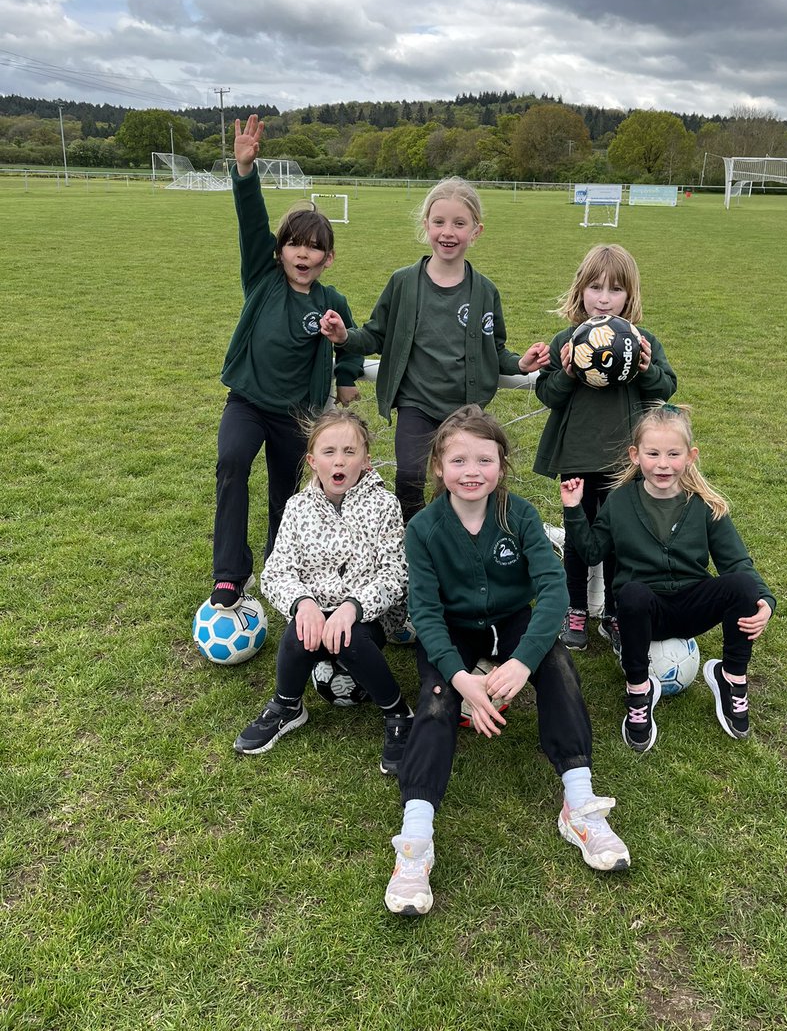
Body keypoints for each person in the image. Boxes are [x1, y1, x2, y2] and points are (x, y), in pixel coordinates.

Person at [383, 405, 629, 918]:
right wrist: (459, 681)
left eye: (485, 460)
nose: (472, 472)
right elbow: (424, 613)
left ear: (502, 464)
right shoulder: (424, 527)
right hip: (452, 631)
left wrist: (521, 662)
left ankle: (579, 804)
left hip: (514, 622)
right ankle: (415, 839)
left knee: (558, 667)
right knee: (434, 702)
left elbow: (554, 591)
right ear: (437, 467)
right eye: (459, 461)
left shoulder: (516, 515)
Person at [319, 177, 549, 524]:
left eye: (460, 223)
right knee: (409, 476)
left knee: (457, 484)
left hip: (464, 409)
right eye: (439, 221)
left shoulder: (484, 291)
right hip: (416, 405)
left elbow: (495, 349)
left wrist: (521, 363)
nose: (448, 231)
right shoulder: (404, 282)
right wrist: (343, 337)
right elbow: (374, 334)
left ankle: (451, 547)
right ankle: (410, 545)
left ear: (476, 231)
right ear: (426, 224)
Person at [209, 115, 363, 611]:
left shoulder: (331, 299)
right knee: (231, 463)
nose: (303, 253)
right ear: (280, 250)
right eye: (295, 244)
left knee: (287, 493)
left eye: (315, 248)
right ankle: (230, 573)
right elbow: (250, 221)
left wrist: (345, 379)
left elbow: (351, 343)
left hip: (297, 415)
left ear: (327, 259)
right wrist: (244, 169)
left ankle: (279, 565)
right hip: (248, 402)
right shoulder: (263, 278)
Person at [561, 402, 775, 754]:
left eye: (673, 454)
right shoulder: (619, 502)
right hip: (646, 612)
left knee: (742, 587)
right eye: (653, 453)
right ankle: (639, 691)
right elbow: (591, 552)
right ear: (635, 455)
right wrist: (573, 509)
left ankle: (732, 678)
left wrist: (765, 600)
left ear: (690, 456)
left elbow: (736, 562)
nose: (663, 464)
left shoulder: (705, 505)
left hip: (691, 605)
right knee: (629, 594)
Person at [233, 409, 414, 775]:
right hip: (315, 608)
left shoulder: (385, 506)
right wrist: (303, 604)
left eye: (350, 451)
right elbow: (278, 570)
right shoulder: (298, 508)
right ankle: (287, 706)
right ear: (313, 461)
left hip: (370, 615)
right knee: (298, 633)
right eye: (329, 452)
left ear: (365, 460)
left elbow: (397, 573)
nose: (340, 460)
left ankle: (397, 712)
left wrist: (353, 607)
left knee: (347, 638)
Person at [534, 244, 676, 651]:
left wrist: (647, 370)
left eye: (615, 290)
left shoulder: (640, 341)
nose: (603, 298)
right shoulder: (567, 339)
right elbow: (548, 394)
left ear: (629, 297)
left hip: (625, 460)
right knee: (580, 537)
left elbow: (667, 389)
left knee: (619, 537)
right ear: (581, 291)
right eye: (595, 287)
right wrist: (566, 371)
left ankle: (613, 612)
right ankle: (575, 607)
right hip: (577, 456)